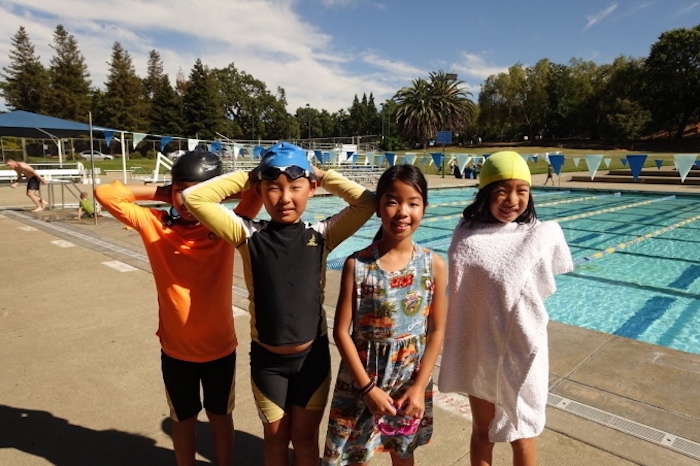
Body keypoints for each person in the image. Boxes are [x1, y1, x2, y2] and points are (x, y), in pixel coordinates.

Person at [183, 142, 376, 466]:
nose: (285, 198)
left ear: (311, 189)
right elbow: (195, 198)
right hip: (268, 363)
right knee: (274, 440)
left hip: (312, 359)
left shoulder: (321, 234)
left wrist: (320, 173)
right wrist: (251, 176)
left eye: (295, 187)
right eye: (273, 188)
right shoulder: (247, 234)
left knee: (304, 439)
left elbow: (367, 202)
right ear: (260, 190)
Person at [95, 151, 262, 466]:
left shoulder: (227, 227)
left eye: (196, 192)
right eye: (179, 191)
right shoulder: (155, 224)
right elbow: (105, 193)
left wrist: (208, 196)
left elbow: (257, 189)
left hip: (220, 350)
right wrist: (166, 193)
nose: (186, 201)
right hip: (176, 352)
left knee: (220, 416)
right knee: (182, 420)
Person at [438, 151, 573, 466]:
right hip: (479, 349)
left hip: (519, 349)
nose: (512, 200)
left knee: (522, 435)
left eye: (521, 191)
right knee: (482, 432)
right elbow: (464, 293)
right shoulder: (466, 233)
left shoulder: (537, 235)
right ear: (486, 193)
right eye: (502, 191)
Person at [322, 165, 446, 466]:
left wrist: (419, 387)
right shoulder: (358, 265)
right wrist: (368, 389)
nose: (402, 211)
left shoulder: (433, 265)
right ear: (378, 208)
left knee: (402, 452)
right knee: (355, 455)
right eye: (392, 201)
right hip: (362, 380)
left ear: (424, 208)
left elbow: (437, 330)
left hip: (408, 381)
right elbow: (342, 332)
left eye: (413, 203)